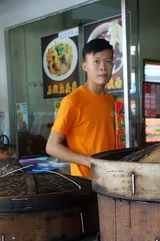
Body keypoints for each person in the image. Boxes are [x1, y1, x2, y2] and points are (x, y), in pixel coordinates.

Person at [46, 39, 115, 177]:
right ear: (85, 66)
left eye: (107, 61)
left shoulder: (111, 101)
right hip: (86, 182)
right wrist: (88, 161)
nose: (103, 67)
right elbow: (52, 147)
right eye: (96, 62)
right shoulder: (72, 101)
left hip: (112, 179)